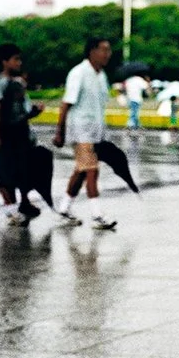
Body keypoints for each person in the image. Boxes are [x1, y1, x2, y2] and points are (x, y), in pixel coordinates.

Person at [53, 37, 117, 231]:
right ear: (91, 51)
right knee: (92, 170)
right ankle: (97, 215)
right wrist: (60, 132)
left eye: (109, 50)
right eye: (103, 50)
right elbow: (66, 104)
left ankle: (64, 208)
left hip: (95, 131)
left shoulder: (101, 75)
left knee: (81, 171)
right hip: (81, 130)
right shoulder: (78, 73)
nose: (107, 54)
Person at [0, 44, 42, 226]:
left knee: (22, 170)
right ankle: (11, 210)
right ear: (5, 62)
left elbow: (22, 111)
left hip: (20, 131)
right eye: (15, 59)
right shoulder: (0, 83)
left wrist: (34, 113)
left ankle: (22, 202)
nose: (19, 63)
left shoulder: (18, 84)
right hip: (6, 131)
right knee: (6, 172)